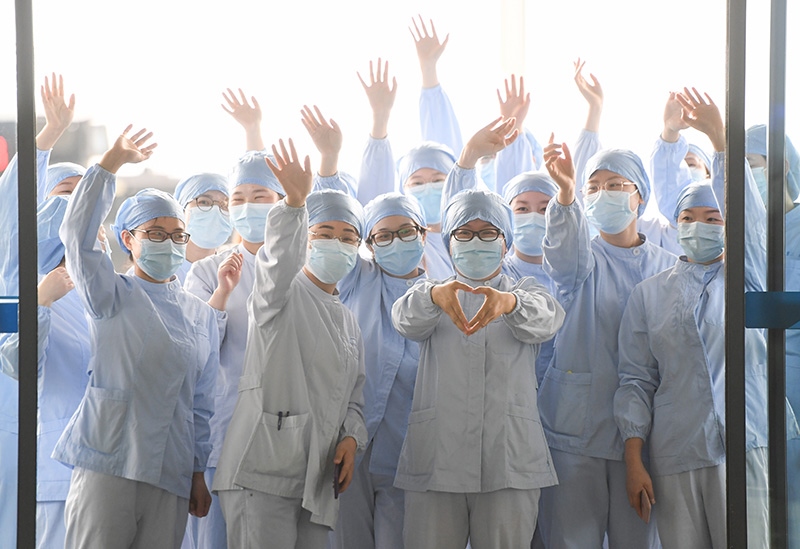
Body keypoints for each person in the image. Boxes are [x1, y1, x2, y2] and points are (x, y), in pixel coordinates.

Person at [53, 126, 223, 548]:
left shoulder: (200, 315)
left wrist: (197, 470)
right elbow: (77, 237)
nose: (170, 243)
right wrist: (109, 165)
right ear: (128, 239)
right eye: (156, 234)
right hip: (108, 463)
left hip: (171, 469)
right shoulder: (111, 293)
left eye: (178, 235)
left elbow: (202, 404)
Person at [213, 140, 367, 549]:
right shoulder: (280, 294)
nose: (337, 243)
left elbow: (354, 398)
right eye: (324, 233)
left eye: (348, 237)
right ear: (305, 240)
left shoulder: (348, 321)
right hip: (261, 471)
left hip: (315, 479)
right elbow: (276, 264)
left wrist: (352, 438)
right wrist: (295, 204)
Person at [391, 187, 565, 549]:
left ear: (505, 242)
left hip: (508, 462)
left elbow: (547, 320)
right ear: (449, 243)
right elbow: (404, 320)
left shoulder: (526, 292)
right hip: (438, 461)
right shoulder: (429, 294)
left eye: (488, 232)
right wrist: (432, 296)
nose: (475, 242)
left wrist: (510, 303)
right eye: (464, 233)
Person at [536, 136, 675, 548]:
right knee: (570, 539)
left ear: (640, 196)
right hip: (575, 432)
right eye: (593, 187)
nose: (603, 194)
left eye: (615, 185)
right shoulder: (580, 261)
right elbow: (562, 252)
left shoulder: (668, 269)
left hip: (647, 436)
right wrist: (565, 193)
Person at [615, 181, 770, 549]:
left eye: (713, 218)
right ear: (676, 224)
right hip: (676, 450)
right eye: (688, 218)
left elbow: (752, 226)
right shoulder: (649, 294)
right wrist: (633, 459)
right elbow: (636, 380)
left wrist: (720, 151)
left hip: (744, 444)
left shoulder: (749, 281)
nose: (699, 227)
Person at [183, 88, 282, 549]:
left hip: (285, 438)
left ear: (282, 201)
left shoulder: (304, 271)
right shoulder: (207, 271)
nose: (246, 206)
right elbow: (197, 347)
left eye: (260, 196)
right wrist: (222, 293)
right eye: (237, 197)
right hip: (221, 435)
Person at [0, 72, 81, 548]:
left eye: (84, 195)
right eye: (63, 192)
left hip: (72, 459)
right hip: (15, 435)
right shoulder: (16, 269)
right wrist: (49, 134)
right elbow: (13, 208)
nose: (74, 204)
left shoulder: (99, 290)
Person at [326, 192, 428, 549]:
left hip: (408, 452)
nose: (396, 241)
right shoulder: (359, 279)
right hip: (348, 446)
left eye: (406, 231)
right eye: (383, 236)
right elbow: (332, 224)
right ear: (368, 245)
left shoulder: (436, 297)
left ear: (424, 234)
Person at [172, 173, 233, 283]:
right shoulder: (161, 273)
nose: (215, 211)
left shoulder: (234, 271)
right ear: (181, 211)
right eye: (204, 202)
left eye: (225, 205)